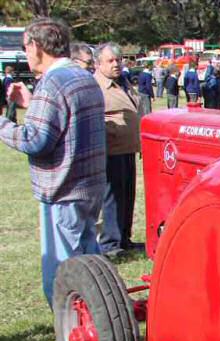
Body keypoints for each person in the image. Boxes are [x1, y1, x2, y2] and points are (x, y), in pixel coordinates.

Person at [0, 18, 105, 324]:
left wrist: (3, 124)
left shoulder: (52, 82)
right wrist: (34, 104)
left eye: (25, 47)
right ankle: (103, 340)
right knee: (91, 276)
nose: (26, 54)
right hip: (90, 188)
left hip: (62, 192)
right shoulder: (83, 77)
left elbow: (36, 140)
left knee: (63, 281)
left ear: (37, 46)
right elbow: (66, 126)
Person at [94, 42, 142, 257]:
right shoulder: (96, 86)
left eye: (118, 60)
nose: (116, 64)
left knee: (128, 195)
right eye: (110, 61)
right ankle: (110, 244)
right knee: (112, 198)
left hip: (128, 148)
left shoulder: (124, 82)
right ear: (98, 64)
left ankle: (124, 237)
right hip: (111, 150)